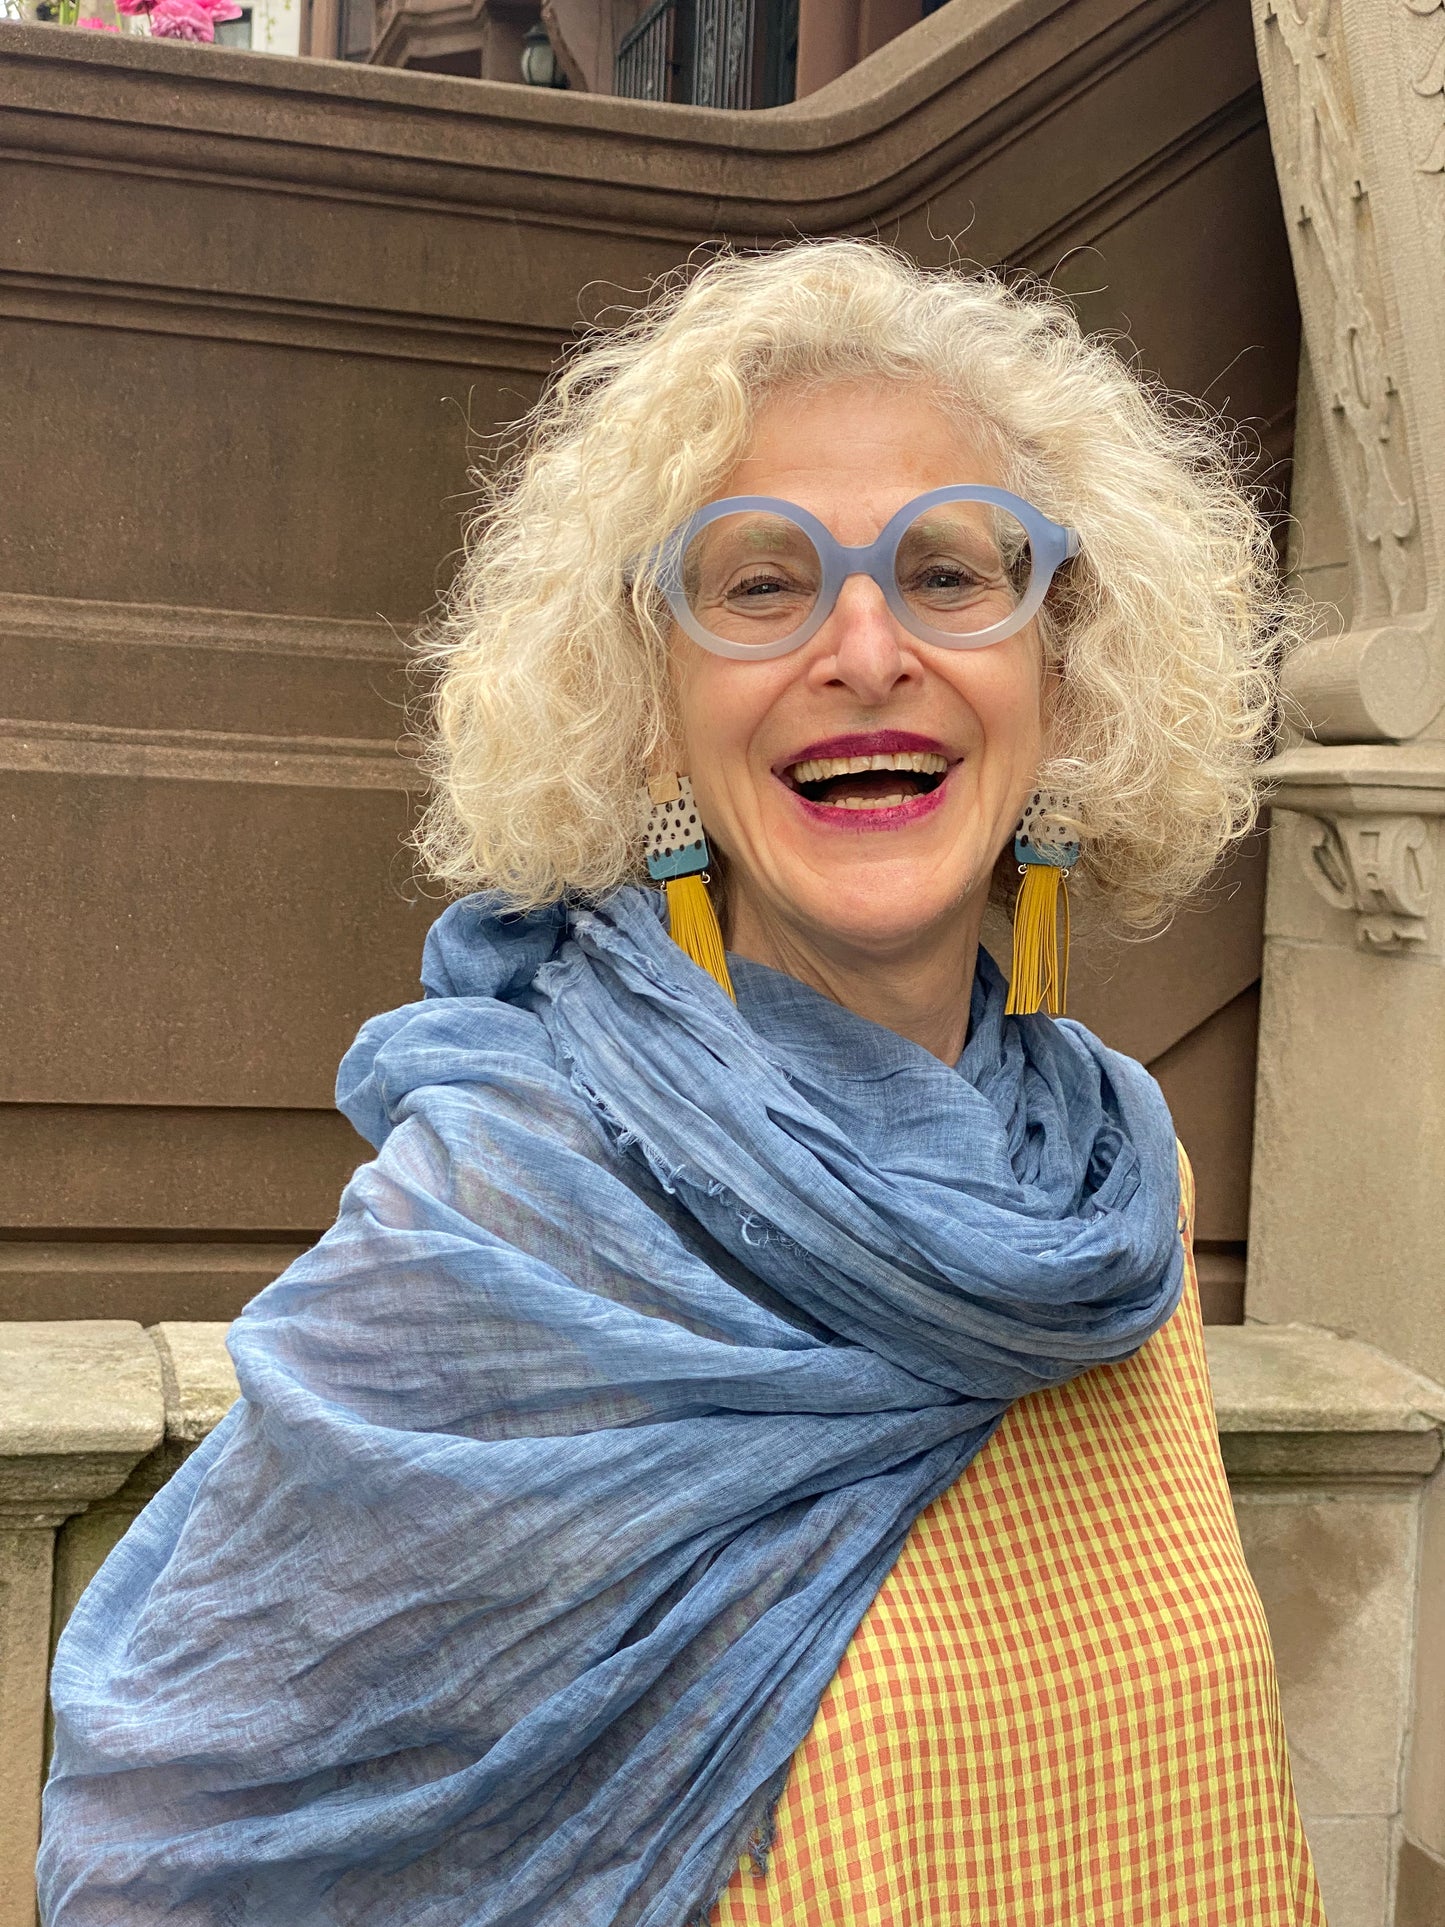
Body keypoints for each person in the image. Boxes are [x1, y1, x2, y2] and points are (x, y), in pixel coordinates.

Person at [38, 240, 1324, 1926]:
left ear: (1063, 685)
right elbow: (180, 1846)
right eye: (760, 583)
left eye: (950, 575)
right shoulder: (506, 1219)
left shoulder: (1107, 1183)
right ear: (648, 712)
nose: (866, 647)